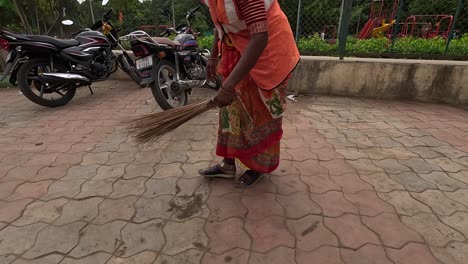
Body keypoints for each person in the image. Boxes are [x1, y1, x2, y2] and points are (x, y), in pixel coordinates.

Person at [198, 0, 300, 187]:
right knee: (231, 109)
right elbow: (222, 24)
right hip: (236, 48)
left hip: (268, 50)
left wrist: (227, 87)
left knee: (260, 111)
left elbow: (260, 37)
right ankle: (227, 165)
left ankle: (258, 167)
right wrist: (213, 55)